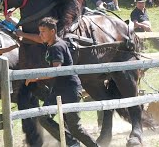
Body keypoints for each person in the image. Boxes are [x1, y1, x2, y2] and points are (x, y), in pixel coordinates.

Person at [16, 17, 99, 147]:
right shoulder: (50, 43)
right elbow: (38, 39)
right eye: (40, 31)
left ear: (53, 31)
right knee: (44, 117)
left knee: (75, 128)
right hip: (58, 90)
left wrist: (35, 78)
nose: (40, 34)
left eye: (43, 31)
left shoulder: (56, 47)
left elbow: (56, 70)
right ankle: (72, 143)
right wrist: (20, 33)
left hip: (70, 90)